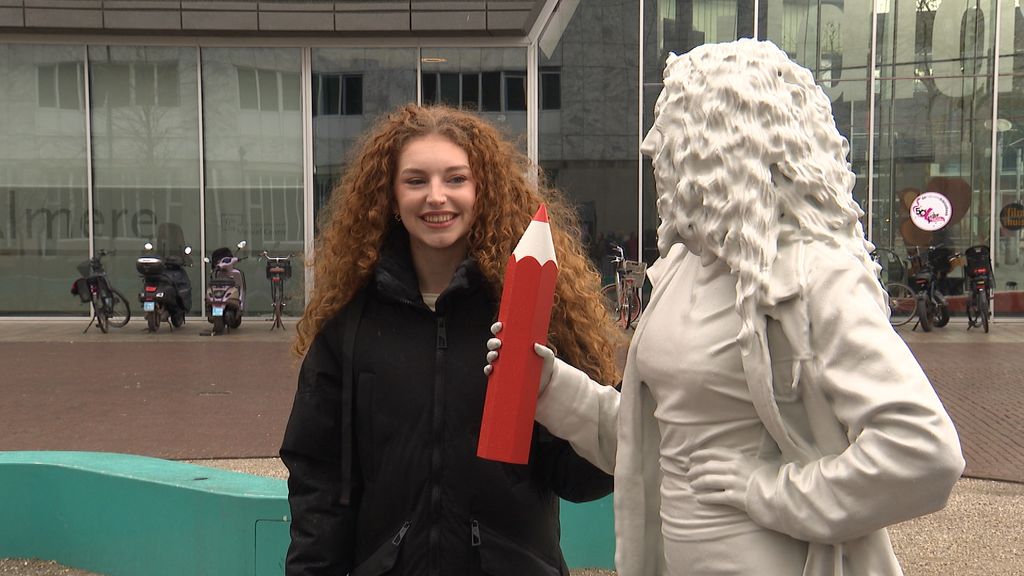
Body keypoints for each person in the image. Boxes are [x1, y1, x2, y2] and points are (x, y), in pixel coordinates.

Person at [485, 39, 965, 576]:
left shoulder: (814, 275)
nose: (649, 144)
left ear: (728, 138)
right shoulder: (680, 269)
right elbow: (651, 440)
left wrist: (771, 492)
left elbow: (922, 452)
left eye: (673, 123)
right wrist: (553, 388)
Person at [280, 104, 620, 576]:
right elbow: (318, 481)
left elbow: (577, 477)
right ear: (390, 195)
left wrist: (622, 410)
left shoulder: (532, 313)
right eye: (416, 181)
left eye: (456, 179)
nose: (436, 197)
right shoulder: (350, 325)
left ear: (482, 190)